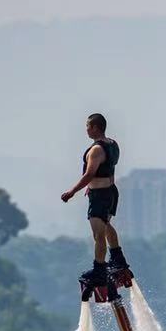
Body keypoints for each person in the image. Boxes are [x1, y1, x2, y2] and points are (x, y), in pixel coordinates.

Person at [60, 112, 130, 288]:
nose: (86, 130)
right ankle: (118, 261)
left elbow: (89, 173)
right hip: (110, 192)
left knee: (98, 234)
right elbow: (106, 169)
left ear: (96, 127)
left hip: (100, 196)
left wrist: (72, 191)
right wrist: (90, 186)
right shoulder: (112, 144)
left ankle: (99, 271)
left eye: (88, 126)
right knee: (105, 226)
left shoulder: (96, 150)